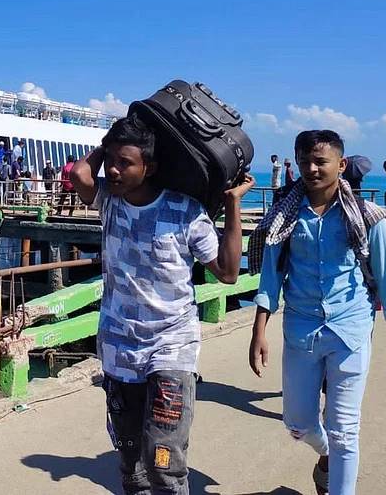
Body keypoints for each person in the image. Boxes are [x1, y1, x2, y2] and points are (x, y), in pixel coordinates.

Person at [71, 114, 254, 495]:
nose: (115, 170)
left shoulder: (184, 210)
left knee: (164, 457)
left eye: (126, 163)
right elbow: (80, 177)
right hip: (119, 346)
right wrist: (110, 143)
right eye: (112, 161)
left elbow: (227, 271)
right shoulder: (109, 201)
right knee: (131, 459)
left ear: (149, 167)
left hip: (172, 344)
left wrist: (233, 205)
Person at [248, 130, 386, 495]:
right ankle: (327, 455)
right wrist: (258, 331)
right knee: (298, 425)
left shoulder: (367, 218)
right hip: (301, 329)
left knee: (345, 431)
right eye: (305, 161)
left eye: (321, 161)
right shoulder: (285, 217)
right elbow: (270, 279)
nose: (312, 168)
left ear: (340, 165)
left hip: (350, 330)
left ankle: (338, 469)